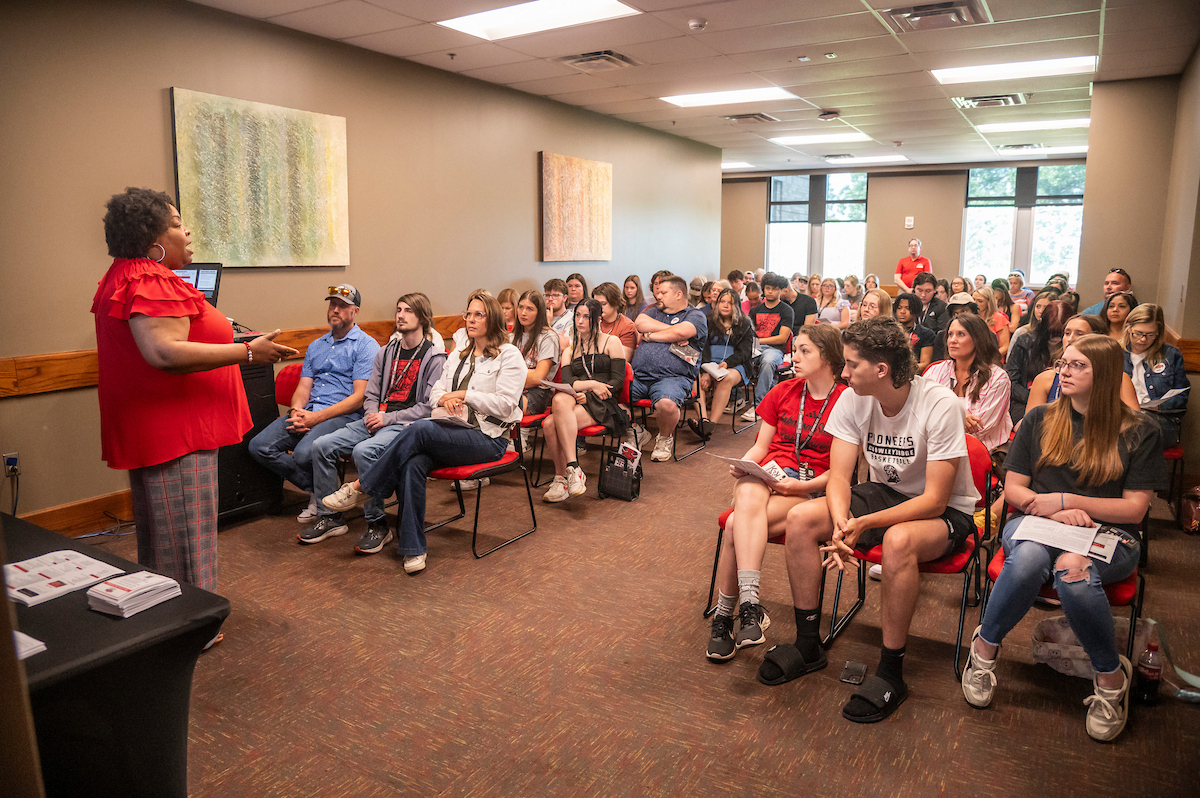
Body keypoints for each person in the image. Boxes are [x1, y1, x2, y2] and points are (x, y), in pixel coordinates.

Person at [765, 317, 979, 723]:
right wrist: (841, 522)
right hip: (884, 493)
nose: (843, 373)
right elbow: (839, 477)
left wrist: (861, 525)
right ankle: (808, 645)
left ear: (882, 369)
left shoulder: (939, 403)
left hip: (947, 509)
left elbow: (935, 500)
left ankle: (891, 671)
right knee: (801, 518)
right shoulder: (853, 398)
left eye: (851, 364)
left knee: (898, 541)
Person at [93, 187, 296, 601]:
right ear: (153, 242)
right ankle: (195, 620)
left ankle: (170, 616)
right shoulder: (151, 279)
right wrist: (247, 352)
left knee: (165, 543)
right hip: (178, 435)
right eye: (176, 224)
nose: (187, 232)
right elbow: (164, 352)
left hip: (162, 430)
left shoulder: (127, 274)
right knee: (187, 545)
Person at [961, 334, 1166, 742]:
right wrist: (1053, 510)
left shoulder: (1140, 430)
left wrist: (1068, 501)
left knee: (1072, 570)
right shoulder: (1040, 419)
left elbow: (1134, 510)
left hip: (1108, 533)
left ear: (1104, 374)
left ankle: (1110, 678)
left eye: (1077, 365)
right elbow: (1014, 490)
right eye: (1063, 364)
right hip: (1038, 521)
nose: (1064, 372)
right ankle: (983, 651)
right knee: (1029, 560)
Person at [323, 290, 524, 574]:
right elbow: (435, 393)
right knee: (413, 463)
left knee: (420, 429)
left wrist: (464, 395)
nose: (471, 320)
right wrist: (445, 399)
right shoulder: (460, 354)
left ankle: (362, 487)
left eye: (479, 315)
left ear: (492, 319)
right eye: (468, 314)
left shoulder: (509, 355)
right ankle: (413, 548)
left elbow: (506, 405)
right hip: (454, 431)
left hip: (489, 439)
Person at [706, 325, 847, 660]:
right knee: (747, 487)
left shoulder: (846, 400)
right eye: (795, 350)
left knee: (734, 525)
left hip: (811, 488)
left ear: (827, 357)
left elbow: (842, 472)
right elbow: (761, 447)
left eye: (804, 351)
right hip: (771, 475)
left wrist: (801, 486)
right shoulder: (784, 390)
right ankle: (749, 605)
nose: (794, 357)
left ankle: (725, 616)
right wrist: (744, 464)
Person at [307, 293, 446, 552]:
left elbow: (427, 407)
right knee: (321, 446)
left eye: (408, 311)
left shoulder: (434, 357)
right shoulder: (386, 352)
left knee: (364, 451)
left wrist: (386, 418)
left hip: (403, 425)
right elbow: (370, 394)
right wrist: (373, 415)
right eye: (399, 309)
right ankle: (330, 518)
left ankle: (378, 524)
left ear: (423, 317)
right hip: (374, 419)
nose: (400, 315)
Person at [250, 283, 380, 520]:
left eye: (343, 306)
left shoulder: (366, 346)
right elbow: (304, 387)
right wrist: (296, 411)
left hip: (343, 416)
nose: (335, 310)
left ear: (355, 311)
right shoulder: (316, 346)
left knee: (303, 454)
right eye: (333, 305)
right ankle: (321, 489)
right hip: (310, 411)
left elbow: (359, 397)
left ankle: (327, 506)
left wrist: (315, 418)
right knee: (259, 446)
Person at [541, 299, 629, 502]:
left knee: (550, 424)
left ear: (597, 319)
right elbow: (568, 382)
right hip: (577, 399)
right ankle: (571, 470)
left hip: (604, 401)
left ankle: (563, 477)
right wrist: (591, 385)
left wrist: (591, 392)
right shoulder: (570, 349)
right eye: (577, 316)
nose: (580, 321)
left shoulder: (612, 342)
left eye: (586, 316)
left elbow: (617, 381)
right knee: (560, 400)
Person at [631, 275, 708, 462]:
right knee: (609, 395)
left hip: (673, 377)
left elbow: (682, 331)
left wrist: (651, 336)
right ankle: (636, 431)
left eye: (663, 293)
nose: (658, 296)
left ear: (678, 294)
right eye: (658, 292)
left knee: (666, 404)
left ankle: (665, 438)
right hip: (639, 375)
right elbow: (639, 323)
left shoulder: (695, 315)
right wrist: (669, 331)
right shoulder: (654, 310)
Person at [924, 314, 1012, 452]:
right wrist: (959, 416)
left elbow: (979, 428)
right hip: (936, 446)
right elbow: (919, 413)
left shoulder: (997, 378)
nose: (952, 340)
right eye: (950, 334)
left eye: (961, 334)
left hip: (982, 452)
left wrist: (941, 415)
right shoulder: (935, 371)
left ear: (978, 339)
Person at [1027, 314, 1140, 417]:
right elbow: (1033, 423)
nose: (1071, 339)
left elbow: (1134, 423)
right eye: (1067, 333)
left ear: (1097, 340)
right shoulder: (1044, 379)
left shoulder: (1119, 378)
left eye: (1080, 334)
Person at [1122, 303, 1189, 448]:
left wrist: (1159, 406)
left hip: (1161, 419)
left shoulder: (1170, 354)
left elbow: (1182, 396)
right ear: (1128, 328)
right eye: (1138, 333)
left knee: (1140, 426)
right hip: (1122, 415)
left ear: (1158, 333)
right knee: (1126, 425)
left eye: (1150, 335)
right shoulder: (1115, 353)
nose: (1143, 339)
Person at [693, 288, 754, 439]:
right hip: (708, 363)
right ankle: (703, 420)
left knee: (725, 378)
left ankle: (711, 425)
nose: (725, 305)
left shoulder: (744, 323)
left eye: (730, 303)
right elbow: (702, 347)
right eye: (722, 302)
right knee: (695, 379)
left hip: (735, 364)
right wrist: (706, 371)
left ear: (737, 306)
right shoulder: (707, 320)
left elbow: (745, 352)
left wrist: (728, 363)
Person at [742, 273, 795, 423]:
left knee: (767, 361)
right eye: (768, 288)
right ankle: (735, 399)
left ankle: (759, 406)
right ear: (763, 289)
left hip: (775, 349)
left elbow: (782, 338)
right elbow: (748, 334)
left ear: (780, 290)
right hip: (755, 347)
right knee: (737, 357)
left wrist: (759, 340)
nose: (770, 291)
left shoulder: (786, 310)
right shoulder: (755, 311)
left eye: (775, 289)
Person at [1006, 300, 1068, 423]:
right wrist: (1036, 395)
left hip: (1060, 404)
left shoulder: (1072, 349)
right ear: (1042, 325)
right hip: (1023, 401)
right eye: (1050, 332)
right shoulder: (1025, 342)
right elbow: (1011, 381)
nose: (1055, 338)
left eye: (1059, 333)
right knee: (1030, 426)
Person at [511, 290, 561, 416]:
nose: (523, 313)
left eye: (530, 309)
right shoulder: (511, 337)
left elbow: (538, 377)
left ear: (539, 313)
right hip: (511, 389)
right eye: (521, 307)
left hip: (537, 393)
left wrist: (510, 376)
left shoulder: (548, 337)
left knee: (504, 406)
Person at [592, 282, 638, 359]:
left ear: (615, 303)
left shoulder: (627, 326)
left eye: (603, 304)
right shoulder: (592, 320)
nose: (598, 308)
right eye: (596, 304)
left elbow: (623, 359)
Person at [893, 293, 935, 371]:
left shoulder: (926, 333)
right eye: (899, 308)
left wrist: (902, 371)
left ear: (916, 310)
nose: (902, 311)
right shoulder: (889, 331)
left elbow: (925, 363)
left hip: (914, 374)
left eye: (907, 308)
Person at [912, 273, 949, 359]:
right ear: (914, 289)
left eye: (928, 291)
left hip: (933, 348)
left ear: (935, 290)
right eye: (919, 290)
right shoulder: (908, 305)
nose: (923, 295)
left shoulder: (942, 307)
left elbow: (942, 333)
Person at [972, 288, 1011, 359]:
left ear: (988, 303)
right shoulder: (970, 318)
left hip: (992, 359)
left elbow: (1005, 347)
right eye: (973, 299)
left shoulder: (999, 318)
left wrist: (989, 358)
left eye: (980, 301)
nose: (975, 303)